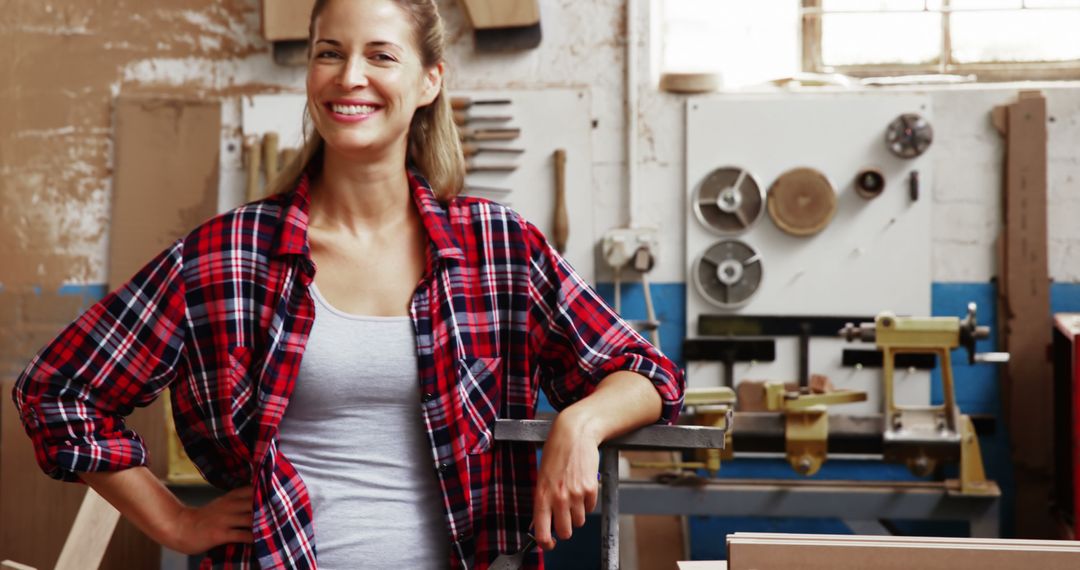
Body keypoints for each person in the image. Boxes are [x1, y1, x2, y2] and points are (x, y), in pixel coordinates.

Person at [11, 0, 685, 568]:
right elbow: (57, 391)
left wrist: (581, 421)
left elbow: (647, 372)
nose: (349, 77)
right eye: (329, 52)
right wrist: (172, 522)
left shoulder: (498, 248)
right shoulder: (230, 255)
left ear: (429, 81)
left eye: (381, 56)